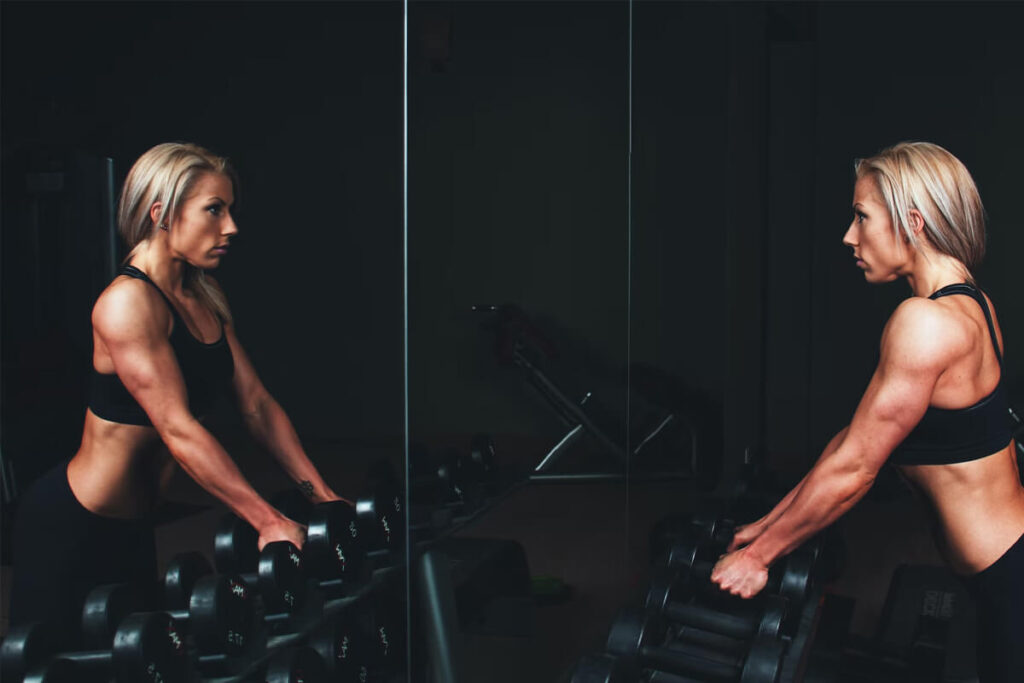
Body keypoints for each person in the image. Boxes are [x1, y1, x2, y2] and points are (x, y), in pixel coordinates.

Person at [710, 141, 1024, 681]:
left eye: (862, 216)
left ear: (914, 221)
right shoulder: (972, 302)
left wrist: (756, 561)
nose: (849, 236)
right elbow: (852, 442)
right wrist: (768, 527)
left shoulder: (923, 324)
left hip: (1011, 579)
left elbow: (857, 469)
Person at [8, 142, 347, 634]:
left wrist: (322, 497)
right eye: (214, 209)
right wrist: (268, 521)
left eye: (229, 210)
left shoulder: (201, 297)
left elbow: (257, 406)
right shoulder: (126, 304)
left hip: (134, 529)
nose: (230, 227)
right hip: (72, 526)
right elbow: (177, 429)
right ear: (161, 212)